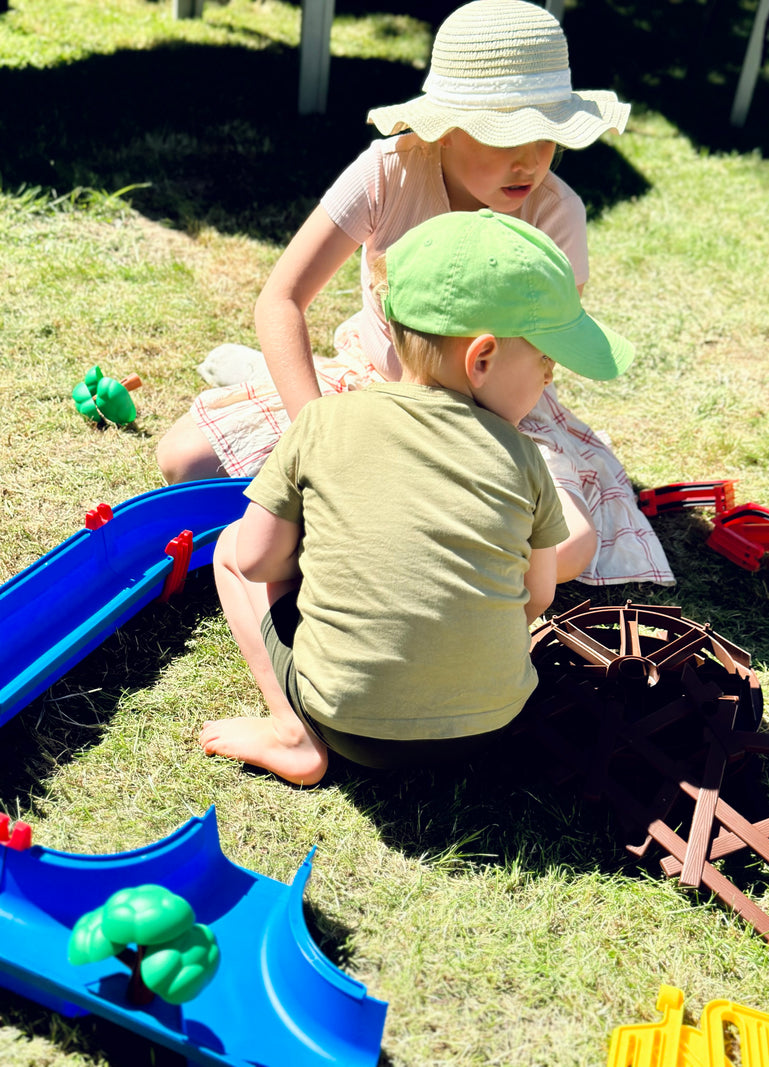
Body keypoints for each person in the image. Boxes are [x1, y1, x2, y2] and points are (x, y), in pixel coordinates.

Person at [157, 0, 674, 588]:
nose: (531, 159)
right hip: (376, 382)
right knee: (186, 460)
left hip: (494, 417)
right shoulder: (387, 172)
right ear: (445, 128)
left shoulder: (556, 213)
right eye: (506, 135)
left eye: (547, 135)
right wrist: (317, 435)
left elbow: (524, 372)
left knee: (569, 545)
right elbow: (281, 299)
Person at [198, 209, 635, 785]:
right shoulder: (527, 458)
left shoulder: (325, 422)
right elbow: (536, 597)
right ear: (480, 360)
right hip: (492, 723)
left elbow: (256, 560)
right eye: (547, 365)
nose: (548, 382)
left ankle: (292, 734)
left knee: (231, 545)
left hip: (347, 724)